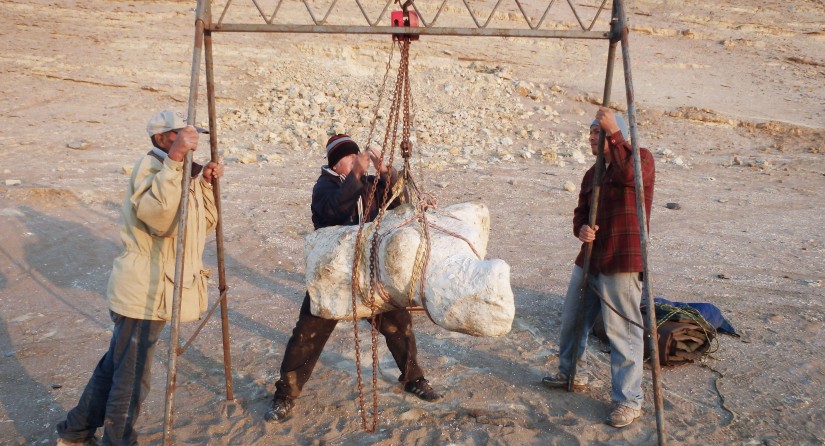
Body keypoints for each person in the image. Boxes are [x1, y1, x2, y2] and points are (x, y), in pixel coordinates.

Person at [55, 110, 224, 445]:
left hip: (157, 286)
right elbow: (161, 220)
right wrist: (175, 160)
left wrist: (203, 183)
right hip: (145, 289)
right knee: (131, 376)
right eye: (182, 135)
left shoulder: (178, 174)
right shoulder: (153, 168)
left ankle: (76, 429)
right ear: (163, 138)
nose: (191, 142)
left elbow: (203, 226)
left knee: (116, 365)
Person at [265, 134, 440, 422]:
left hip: (369, 273)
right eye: (351, 157)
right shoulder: (325, 187)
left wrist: (386, 172)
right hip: (334, 275)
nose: (359, 160)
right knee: (307, 335)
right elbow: (335, 209)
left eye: (357, 156)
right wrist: (357, 173)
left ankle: (413, 378)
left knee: (399, 325)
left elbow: (399, 202)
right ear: (337, 162)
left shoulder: (368, 182)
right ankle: (285, 394)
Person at [542, 107, 655, 428]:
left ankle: (628, 401)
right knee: (573, 320)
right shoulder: (592, 173)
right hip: (589, 259)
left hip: (622, 259)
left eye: (597, 132)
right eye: (590, 132)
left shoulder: (641, 158)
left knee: (623, 332)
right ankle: (570, 374)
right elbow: (580, 212)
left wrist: (614, 133)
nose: (591, 138)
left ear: (612, 133)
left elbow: (629, 177)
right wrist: (581, 230)